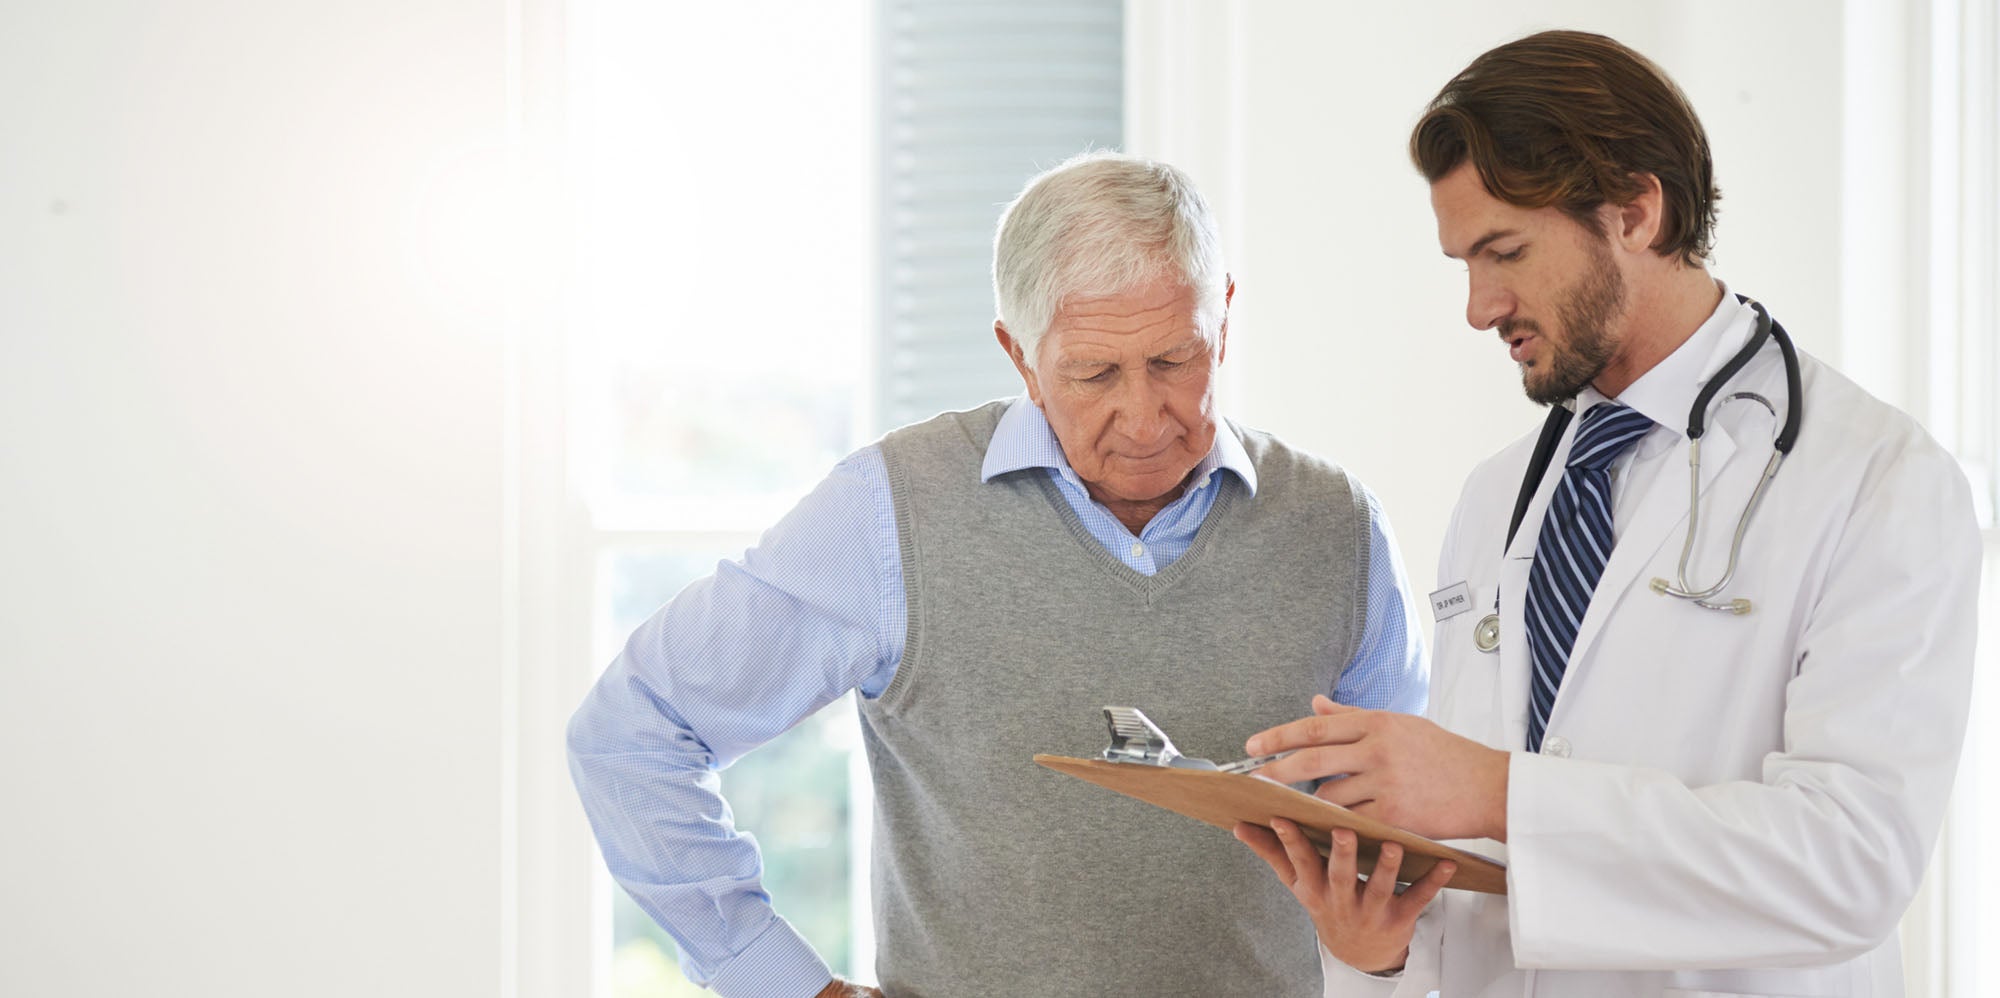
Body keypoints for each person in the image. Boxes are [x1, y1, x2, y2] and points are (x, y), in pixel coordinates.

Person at [567, 150, 1430, 998]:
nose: (1142, 417)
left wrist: (1389, 956)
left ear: (1226, 317)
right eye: (1094, 373)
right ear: (1019, 355)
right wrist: (781, 983)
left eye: (1175, 359)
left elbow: (1407, 848)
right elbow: (632, 733)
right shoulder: (890, 511)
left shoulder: (1338, 528)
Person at [1233, 30, 1979, 998]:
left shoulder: (1876, 479)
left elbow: (1850, 864)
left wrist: (1497, 791)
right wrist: (1375, 946)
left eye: (1502, 251)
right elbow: (1482, 881)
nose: (1475, 305)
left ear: (1633, 211)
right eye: (1462, 260)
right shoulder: (1498, 494)